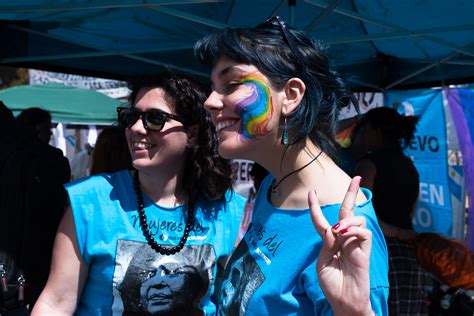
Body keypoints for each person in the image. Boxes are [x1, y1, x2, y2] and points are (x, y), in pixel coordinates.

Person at [194, 16, 389, 315]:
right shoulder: (276, 186)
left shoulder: (344, 228)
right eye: (213, 87)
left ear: (292, 95)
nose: (209, 101)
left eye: (232, 84)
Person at [32, 71, 247, 315]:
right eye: (131, 117)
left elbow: (236, 305)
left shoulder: (226, 210)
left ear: (192, 134)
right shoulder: (91, 202)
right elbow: (56, 303)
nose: (136, 128)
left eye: (154, 119)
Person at [351, 107, 428, 315]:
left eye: (364, 129)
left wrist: (394, 233)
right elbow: (410, 212)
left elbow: (359, 214)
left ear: (375, 131)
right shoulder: (409, 166)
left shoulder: (367, 165)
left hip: (378, 252)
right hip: (408, 254)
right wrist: (401, 233)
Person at [0, 103, 70, 310]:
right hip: (27, 280)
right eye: (48, 129)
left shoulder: (41, 160)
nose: (49, 134)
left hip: (20, 280)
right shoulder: (49, 160)